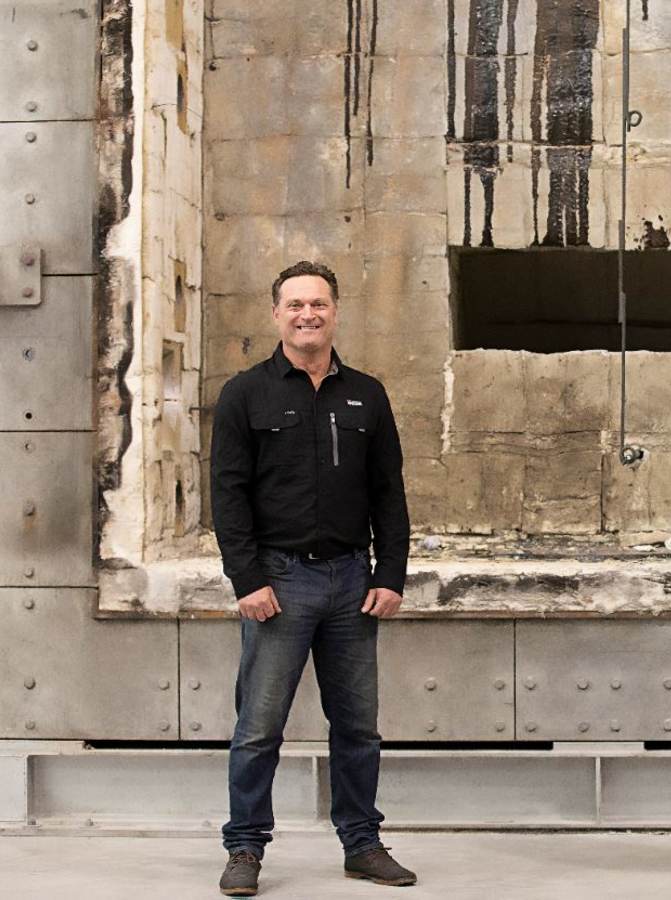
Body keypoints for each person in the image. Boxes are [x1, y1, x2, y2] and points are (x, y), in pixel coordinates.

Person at [210, 260, 416, 895]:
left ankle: (362, 844)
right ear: (276, 314)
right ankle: (245, 847)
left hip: (353, 584)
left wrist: (391, 574)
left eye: (319, 304)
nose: (307, 314)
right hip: (280, 581)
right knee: (259, 727)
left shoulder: (368, 394)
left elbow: (389, 492)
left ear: (335, 311)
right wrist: (247, 579)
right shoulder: (247, 393)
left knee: (357, 726)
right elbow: (228, 494)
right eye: (295, 304)